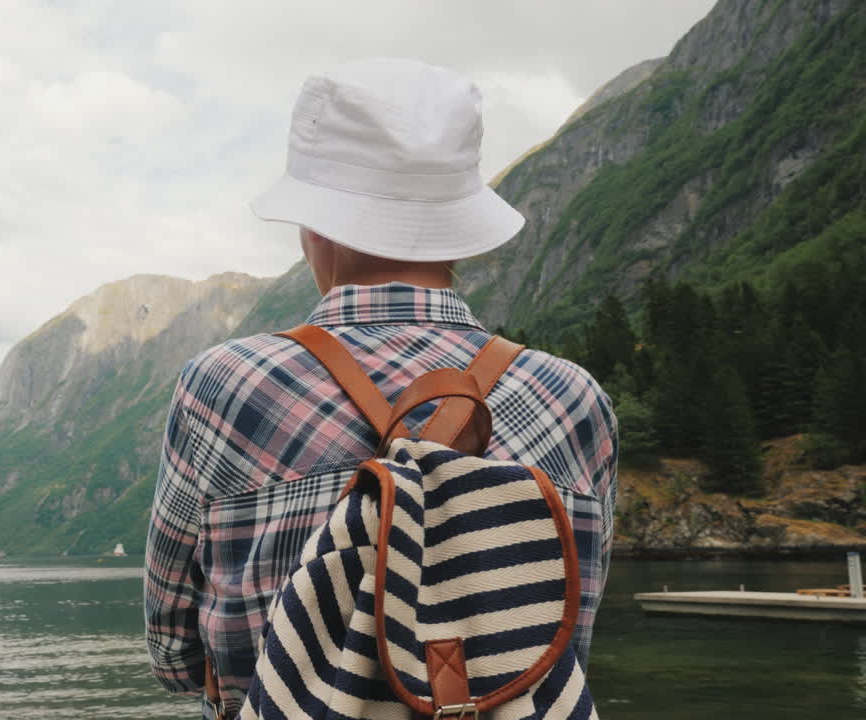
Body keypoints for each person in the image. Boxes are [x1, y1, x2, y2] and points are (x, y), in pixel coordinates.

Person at [144, 58, 617, 718]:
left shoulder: (224, 386)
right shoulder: (573, 398)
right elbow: (572, 627)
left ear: (316, 225)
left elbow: (173, 653)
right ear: (458, 227)